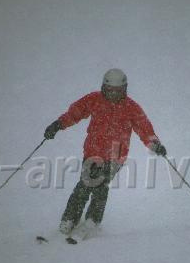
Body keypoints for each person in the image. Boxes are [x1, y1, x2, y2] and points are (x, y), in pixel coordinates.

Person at [43, 68, 167, 237]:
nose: (113, 94)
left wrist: (154, 144)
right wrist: (58, 125)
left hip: (115, 155)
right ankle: (70, 218)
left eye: (118, 91)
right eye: (110, 90)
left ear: (124, 89)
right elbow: (75, 113)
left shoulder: (131, 108)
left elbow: (145, 129)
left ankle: (92, 220)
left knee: (100, 186)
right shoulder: (94, 100)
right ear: (103, 87)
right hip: (93, 151)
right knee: (84, 185)